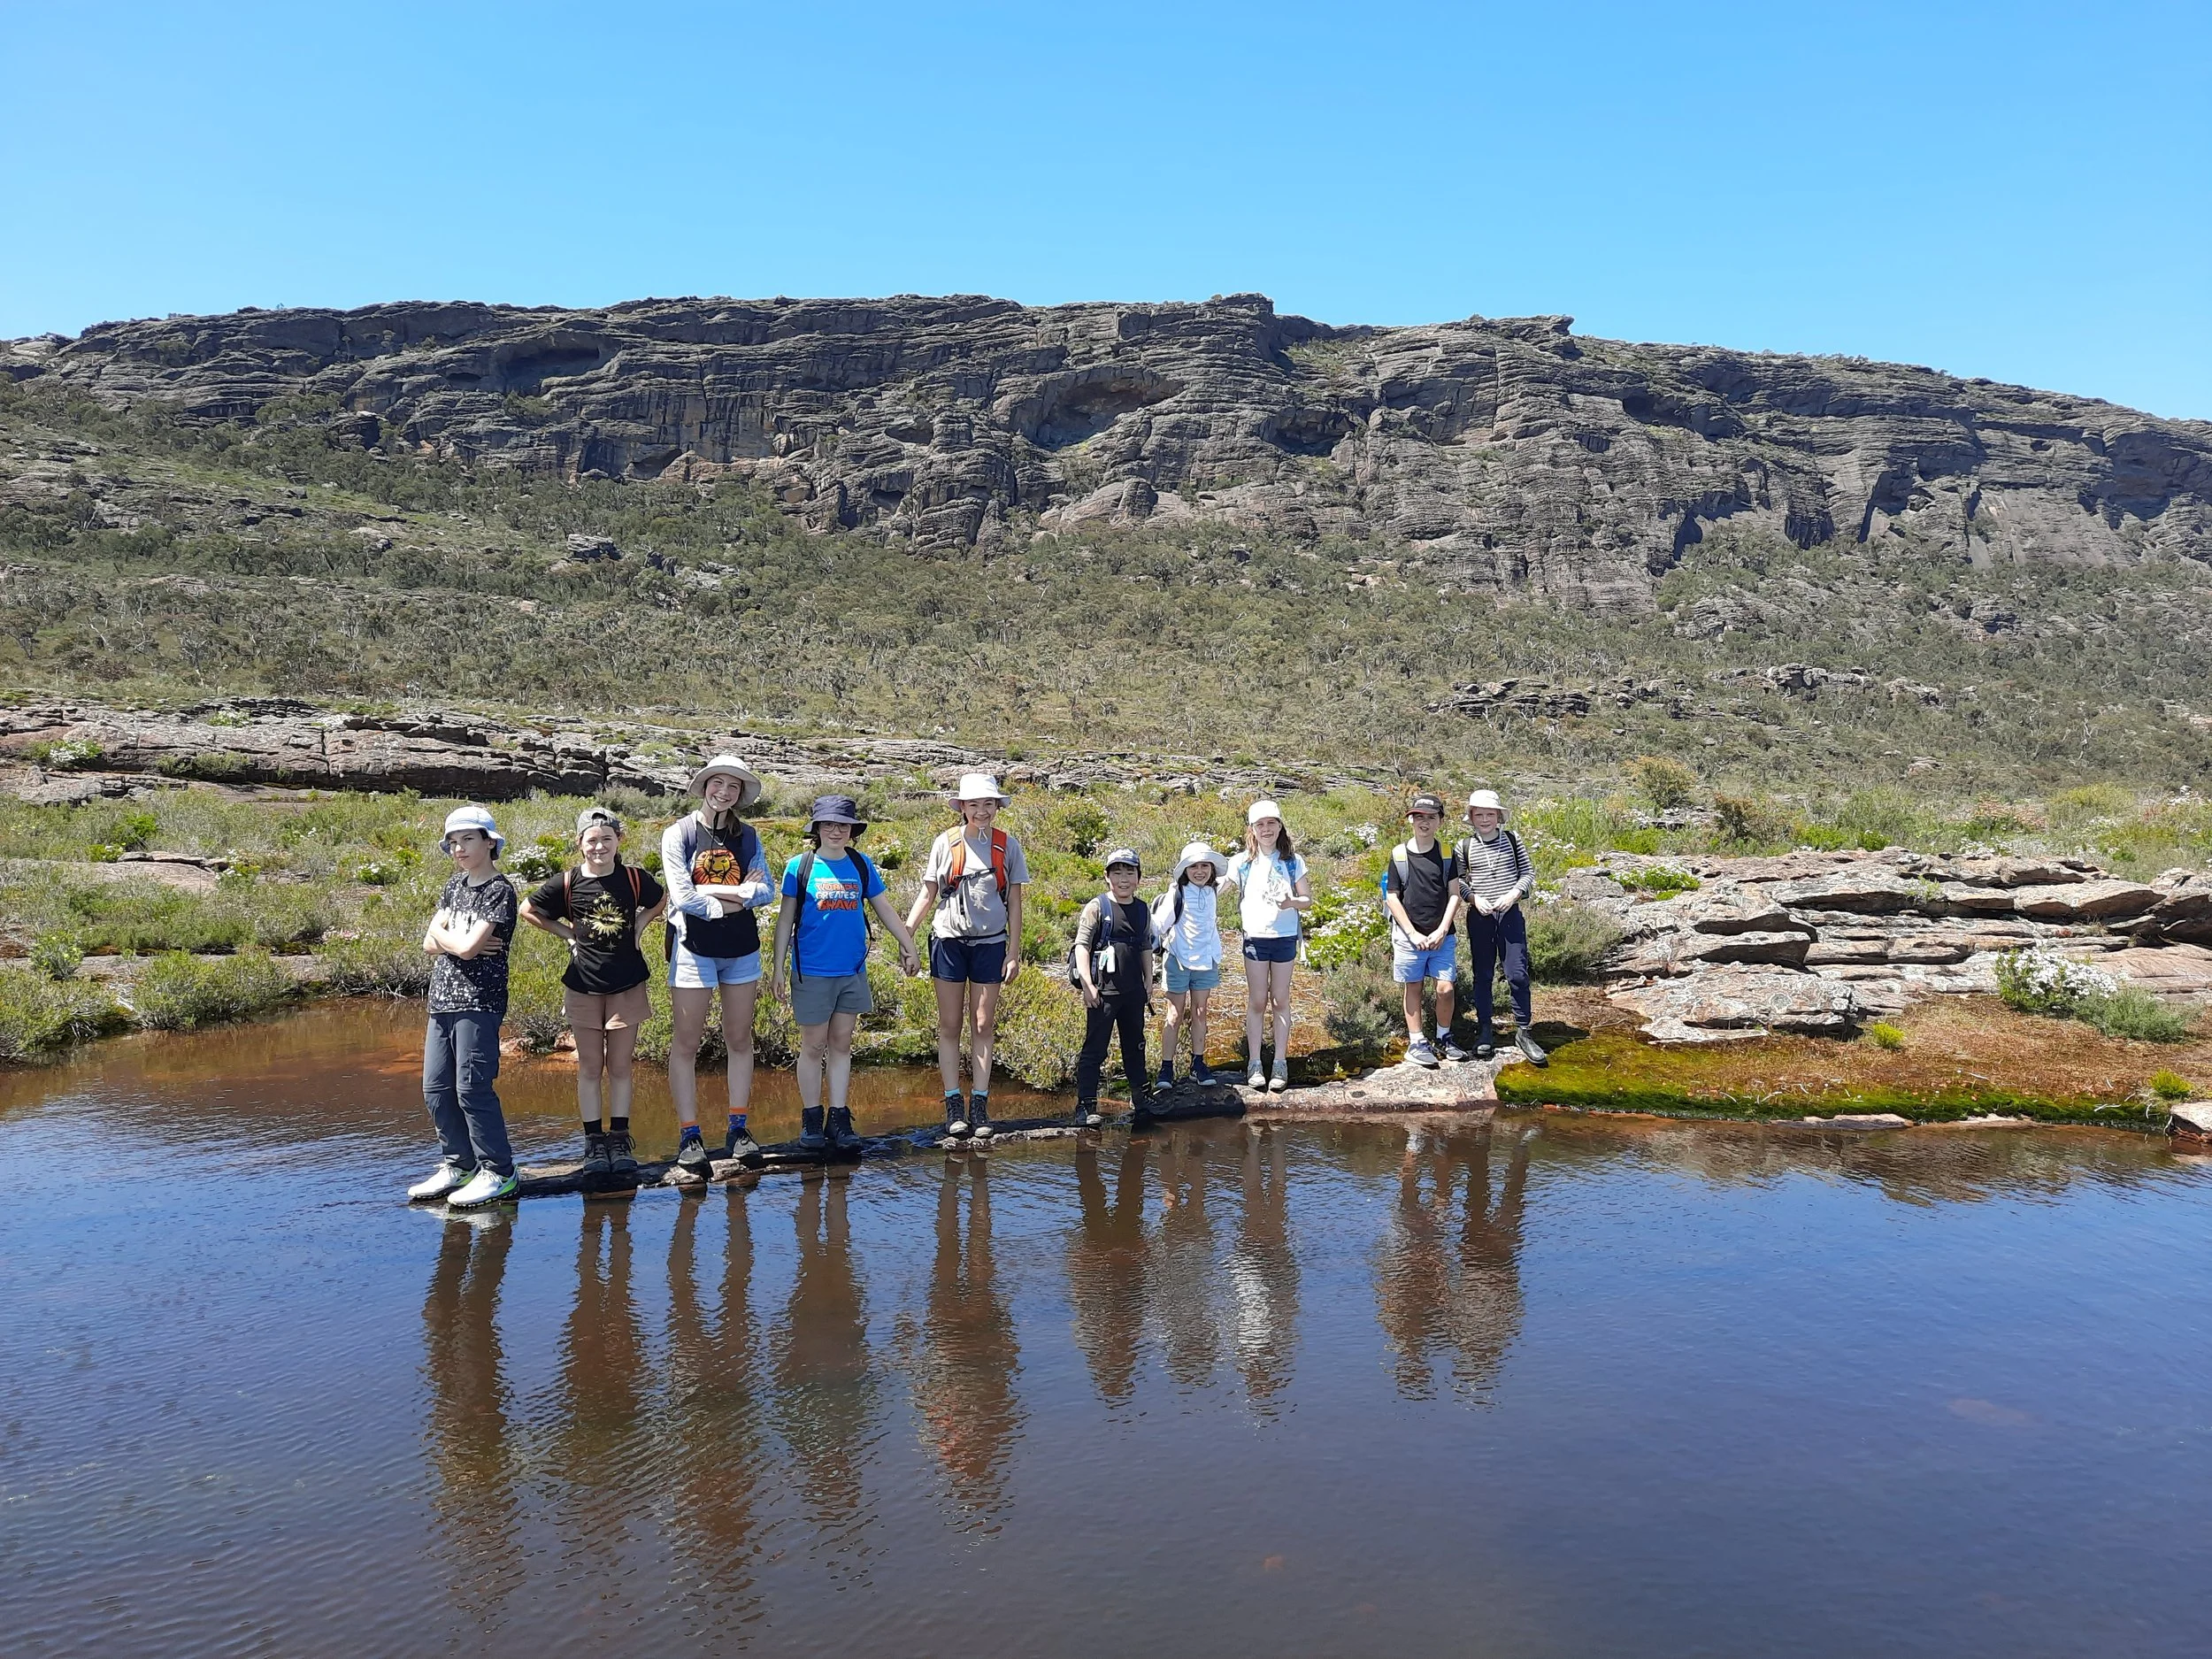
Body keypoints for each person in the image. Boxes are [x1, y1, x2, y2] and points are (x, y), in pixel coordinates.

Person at [520, 807, 669, 1180]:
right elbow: (529, 909)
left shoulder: (634, 878)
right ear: (579, 843)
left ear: (619, 841)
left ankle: (619, 1139)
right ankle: (593, 1142)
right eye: (592, 840)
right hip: (583, 985)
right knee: (589, 1067)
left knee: (620, 1067)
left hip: (627, 984)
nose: (599, 846)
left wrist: (640, 924)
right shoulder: (567, 882)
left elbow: (659, 899)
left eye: (607, 839)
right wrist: (567, 934)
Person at [769, 795, 922, 1156]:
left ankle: (838, 1118)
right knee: (813, 1045)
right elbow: (784, 921)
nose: (836, 831)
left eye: (843, 825)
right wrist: (777, 967)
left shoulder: (861, 864)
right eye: (828, 824)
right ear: (817, 829)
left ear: (852, 831)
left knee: (841, 1044)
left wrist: (908, 945)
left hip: (852, 970)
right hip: (813, 972)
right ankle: (811, 1118)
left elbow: (884, 908)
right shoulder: (800, 866)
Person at [662, 755, 778, 1180]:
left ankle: (738, 1127)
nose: (724, 792)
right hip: (694, 948)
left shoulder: (748, 837)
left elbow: (766, 890)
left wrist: (730, 896)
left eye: (733, 787)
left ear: (740, 794)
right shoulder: (679, 834)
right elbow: (681, 896)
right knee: (687, 1042)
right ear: (705, 785)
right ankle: (689, 1135)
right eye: (718, 783)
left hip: (741, 949)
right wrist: (732, 897)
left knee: (739, 1037)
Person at [407, 805, 521, 1210]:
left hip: (479, 1001)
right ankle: (460, 1166)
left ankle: (500, 1172)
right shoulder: (453, 886)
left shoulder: (499, 890)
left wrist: (450, 939)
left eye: (467, 839)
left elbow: (471, 948)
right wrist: (455, 940)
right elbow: (430, 941)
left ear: (489, 842)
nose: (459, 848)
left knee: (472, 1088)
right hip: (441, 1000)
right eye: (453, 842)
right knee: (436, 1089)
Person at [908, 772, 1028, 1141]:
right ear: (961, 807)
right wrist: (906, 934)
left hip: (991, 944)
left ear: (996, 807)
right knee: (949, 1025)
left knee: (982, 1024)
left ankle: (979, 1102)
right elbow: (928, 893)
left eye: (987, 804)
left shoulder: (1008, 846)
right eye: (973, 804)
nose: (981, 811)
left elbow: (1016, 903)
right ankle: (953, 1106)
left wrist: (1013, 953)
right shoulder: (944, 843)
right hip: (948, 942)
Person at [1221, 800, 1310, 1093]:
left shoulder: (1294, 861)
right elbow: (1218, 886)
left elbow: (1306, 900)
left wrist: (1291, 903)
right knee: (1257, 1000)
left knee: (1281, 1000)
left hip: (1284, 938)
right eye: (1260, 824)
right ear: (1252, 829)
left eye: (1272, 823)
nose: (1267, 829)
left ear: (1280, 826)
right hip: (1255, 938)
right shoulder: (1240, 863)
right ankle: (1255, 1063)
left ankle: (1280, 1063)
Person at [1454, 788, 1547, 1065]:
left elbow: (1528, 873)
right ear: (1471, 817)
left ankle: (1524, 1031)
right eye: (1479, 814)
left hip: (1510, 915)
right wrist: (1473, 897)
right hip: (1480, 917)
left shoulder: (1512, 839)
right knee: (1482, 975)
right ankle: (1485, 1030)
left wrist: (1513, 894)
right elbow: (1457, 882)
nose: (1484, 819)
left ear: (1498, 816)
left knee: (1517, 974)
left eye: (1489, 814)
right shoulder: (1464, 846)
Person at [1071, 848, 1156, 1128]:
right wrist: (1087, 984)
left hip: (1133, 993)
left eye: (1129, 872)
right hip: (1102, 993)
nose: (1123, 879)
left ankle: (1141, 1100)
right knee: (1095, 1049)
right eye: (1117, 872)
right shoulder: (1097, 907)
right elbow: (1081, 946)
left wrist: (1148, 979)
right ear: (1107, 877)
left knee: (1136, 1046)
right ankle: (1086, 1105)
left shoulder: (1143, 909)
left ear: (1138, 878)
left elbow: (1145, 946)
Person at [1382, 793, 1468, 1068]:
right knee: (1414, 985)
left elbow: (1454, 894)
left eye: (1431, 817)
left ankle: (1444, 1036)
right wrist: (1413, 934)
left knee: (1445, 988)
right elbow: (1392, 897)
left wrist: (1443, 930)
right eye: (1418, 816)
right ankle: (1417, 1041)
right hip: (1409, 937)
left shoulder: (1447, 855)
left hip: (1442, 936)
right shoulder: (1398, 855)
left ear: (1440, 821)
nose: (1424, 822)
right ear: (1411, 820)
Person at [1151, 839, 1226, 1091]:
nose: (1200, 871)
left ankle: (1198, 1064)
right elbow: (1158, 926)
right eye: (1194, 866)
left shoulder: (1212, 891)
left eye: (1205, 865)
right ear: (1185, 870)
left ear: (1211, 869)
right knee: (1174, 1015)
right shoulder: (1177, 893)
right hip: (1178, 961)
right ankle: (1166, 1068)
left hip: (1206, 960)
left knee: (1200, 1012)